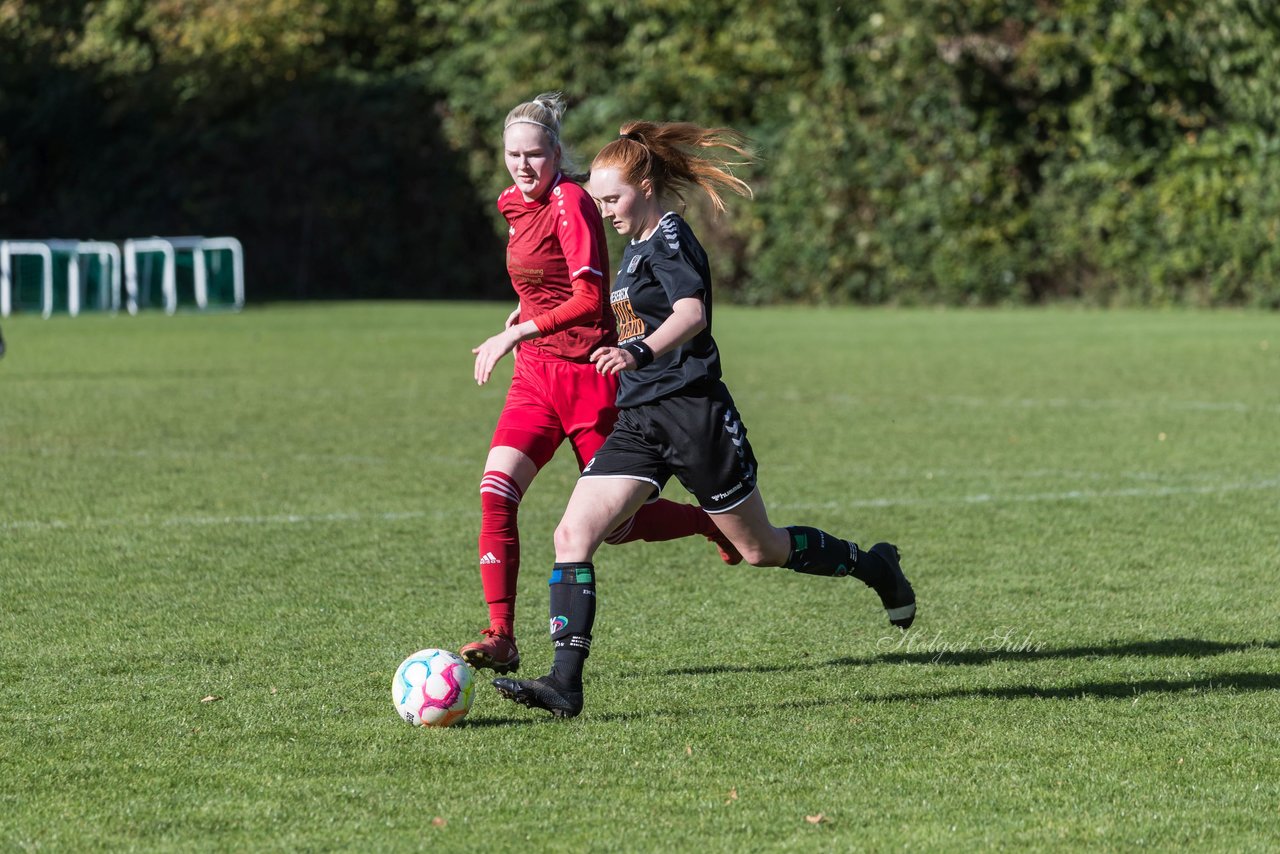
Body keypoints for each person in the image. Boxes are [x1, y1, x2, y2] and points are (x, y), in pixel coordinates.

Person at [493, 120, 916, 718]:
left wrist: (637, 351)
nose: (605, 211)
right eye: (599, 200)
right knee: (572, 535)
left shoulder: (669, 238)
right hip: (640, 421)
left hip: (695, 416)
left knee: (761, 549)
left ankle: (874, 565)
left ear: (645, 186)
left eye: (612, 198)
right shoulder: (636, 248)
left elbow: (691, 312)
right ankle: (565, 683)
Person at [460, 95, 741, 676]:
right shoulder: (512, 204)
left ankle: (707, 521)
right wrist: (523, 312)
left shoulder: (572, 203)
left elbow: (589, 298)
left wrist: (515, 332)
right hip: (537, 376)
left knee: (619, 528)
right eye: (512, 155)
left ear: (557, 154)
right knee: (495, 492)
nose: (522, 166)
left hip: (591, 375)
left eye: (534, 154)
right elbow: (542, 277)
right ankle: (501, 634)